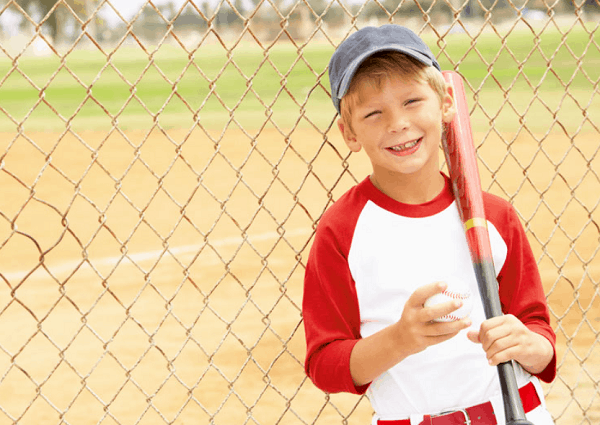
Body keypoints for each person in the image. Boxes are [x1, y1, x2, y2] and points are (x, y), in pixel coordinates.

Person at [302, 24, 556, 425]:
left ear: (446, 103)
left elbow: (539, 335)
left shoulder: (494, 216)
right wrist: (399, 339)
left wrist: (530, 346)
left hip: (517, 411)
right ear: (349, 133)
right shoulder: (342, 230)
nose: (398, 123)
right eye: (373, 113)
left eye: (412, 101)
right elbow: (324, 363)